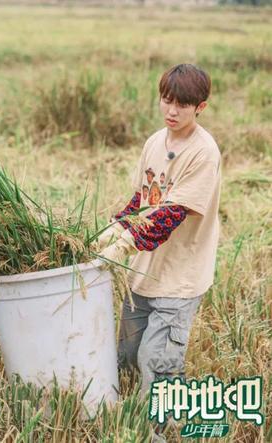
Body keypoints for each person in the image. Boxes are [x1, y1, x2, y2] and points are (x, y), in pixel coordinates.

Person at [96, 64, 220, 439]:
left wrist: (124, 243)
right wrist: (113, 228)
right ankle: (136, 425)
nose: (172, 111)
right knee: (129, 357)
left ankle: (164, 433)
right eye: (167, 100)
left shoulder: (203, 153)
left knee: (159, 363)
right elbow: (143, 198)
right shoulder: (155, 141)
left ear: (201, 106)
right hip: (143, 275)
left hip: (178, 279)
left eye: (182, 105)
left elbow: (170, 215)